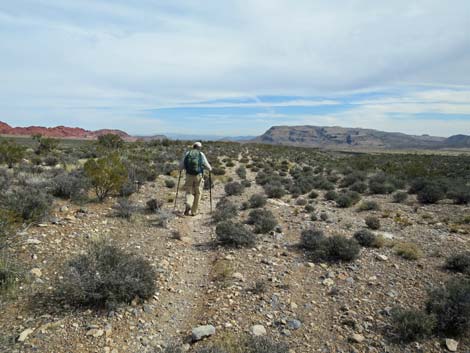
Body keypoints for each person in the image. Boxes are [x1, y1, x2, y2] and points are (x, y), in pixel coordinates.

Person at [179, 142, 212, 216]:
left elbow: (181, 166)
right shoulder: (201, 154)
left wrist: (182, 169)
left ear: (193, 146)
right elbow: (208, 166)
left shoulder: (187, 153)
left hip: (188, 176)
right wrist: (209, 169)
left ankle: (189, 203)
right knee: (198, 193)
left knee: (189, 191)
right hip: (198, 176)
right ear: (199, 147)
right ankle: (194, 211)